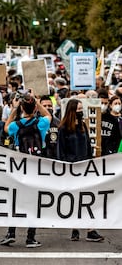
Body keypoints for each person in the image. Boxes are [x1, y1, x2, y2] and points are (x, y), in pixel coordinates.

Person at [0, 92, 51, 248]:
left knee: (16, 200)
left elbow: (6, 127)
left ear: (22, 107)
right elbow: (48, 114)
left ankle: (11, 233)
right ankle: (30, 237)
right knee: (34, 202)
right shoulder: (41, 123)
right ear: (35, 107)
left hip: (19, 167)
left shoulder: (16, 126)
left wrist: (15, 109)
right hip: (36, 168)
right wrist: (36, 102)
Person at [57, 98, 104, 242]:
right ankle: (75, 229)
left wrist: (90, 163)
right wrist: (66, 167)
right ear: (72, 111)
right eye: (78, 109)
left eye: (81, 109)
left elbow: (88, 147)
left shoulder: (83, 125)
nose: (81, 112)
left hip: (85, 168)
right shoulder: (63, 128)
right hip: (71, 169)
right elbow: (61, 151)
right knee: (75, 200)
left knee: (87, 199)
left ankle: (90, 230)